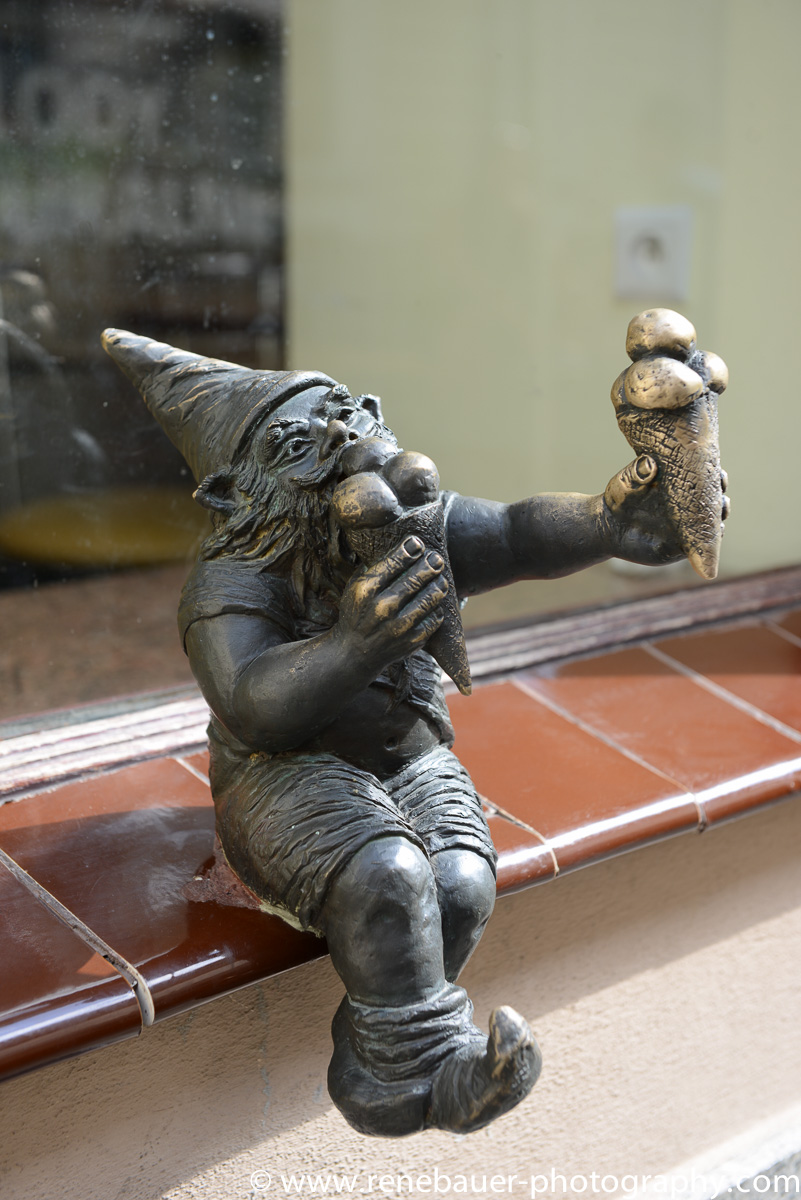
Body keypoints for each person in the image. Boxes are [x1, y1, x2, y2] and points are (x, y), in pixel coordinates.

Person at [102, 328, 695, 1137]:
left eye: (347, 414)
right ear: (236, 497)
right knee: (386, 873)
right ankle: (415, 1077)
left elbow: (516, 533)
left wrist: (607, 521)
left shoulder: (414, 523)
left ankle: (386, 1060)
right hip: (285, 773)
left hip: (409, 760)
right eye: (296, 444)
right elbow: (248, 701)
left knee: (461, 880)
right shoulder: (232, 578)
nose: (339, 440)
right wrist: (352, 647)